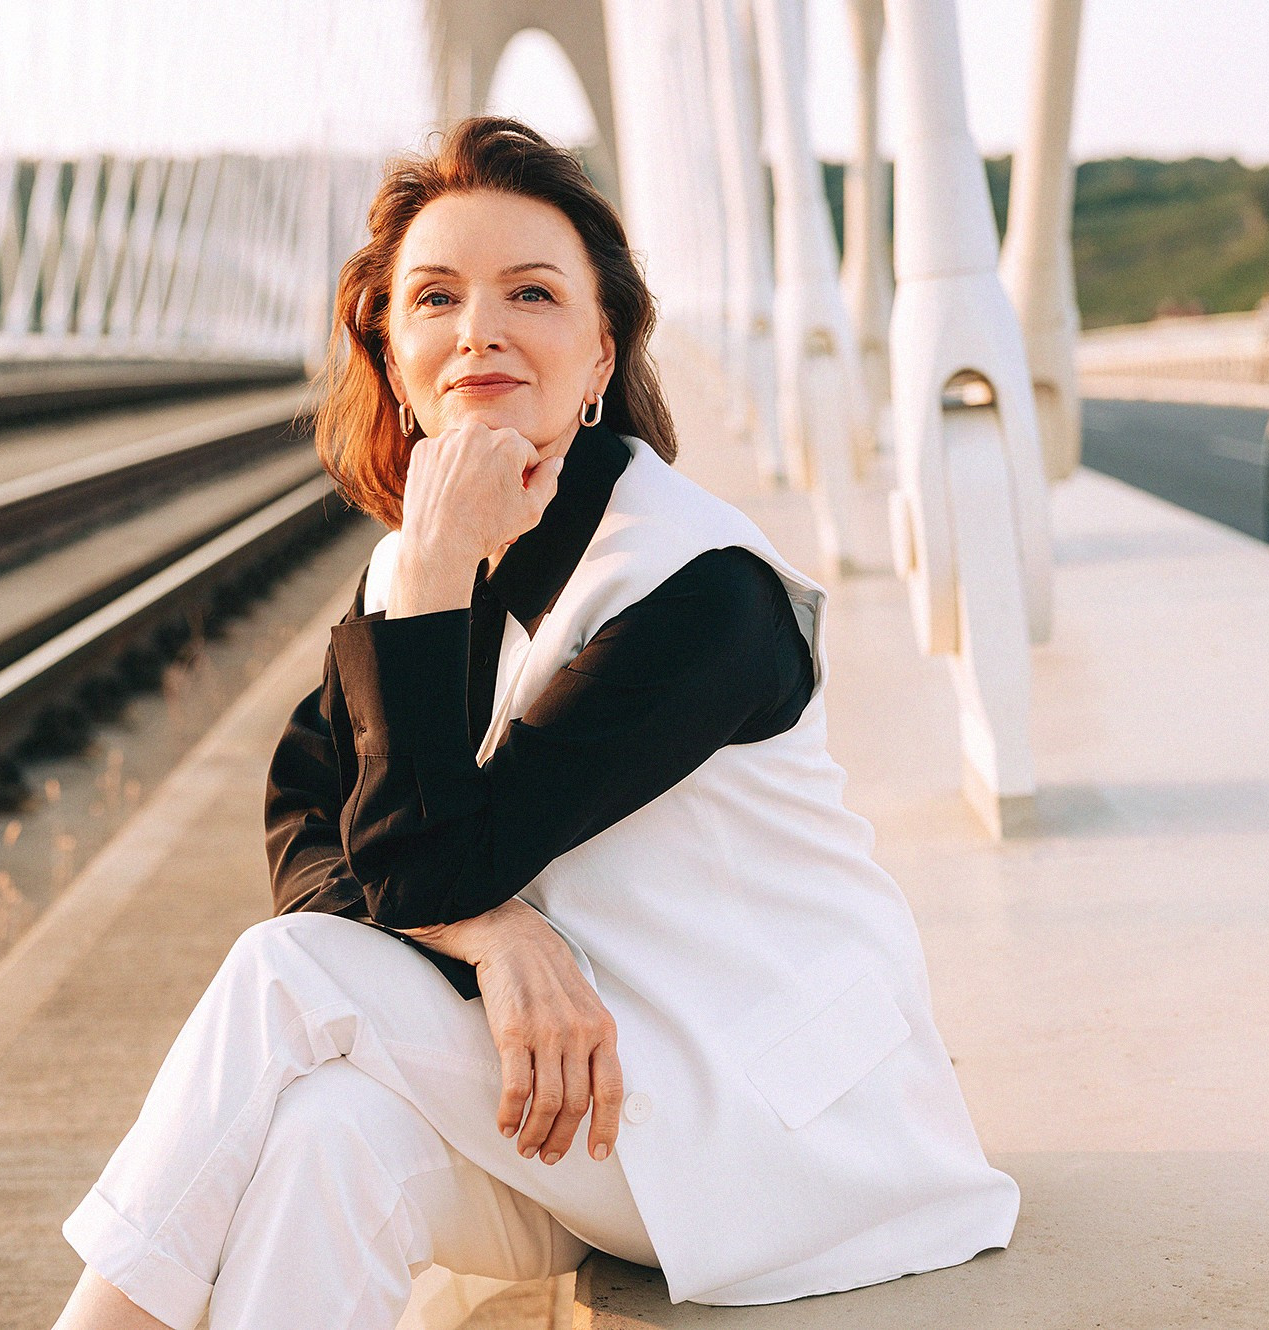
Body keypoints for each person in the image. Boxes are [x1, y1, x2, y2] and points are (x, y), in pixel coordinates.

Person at [50, 116, 1019, 1330]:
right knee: (323, 1136)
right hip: (591, 1102)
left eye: (532, 293)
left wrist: (442, 565)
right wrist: (498, 942)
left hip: (783, 1122)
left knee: (281, 980)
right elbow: (306, 840)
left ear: (600, 348)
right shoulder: (409, 570)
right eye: (436, 298)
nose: (479, 331)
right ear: (394, 359)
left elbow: (416, 860)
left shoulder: (694, 586)